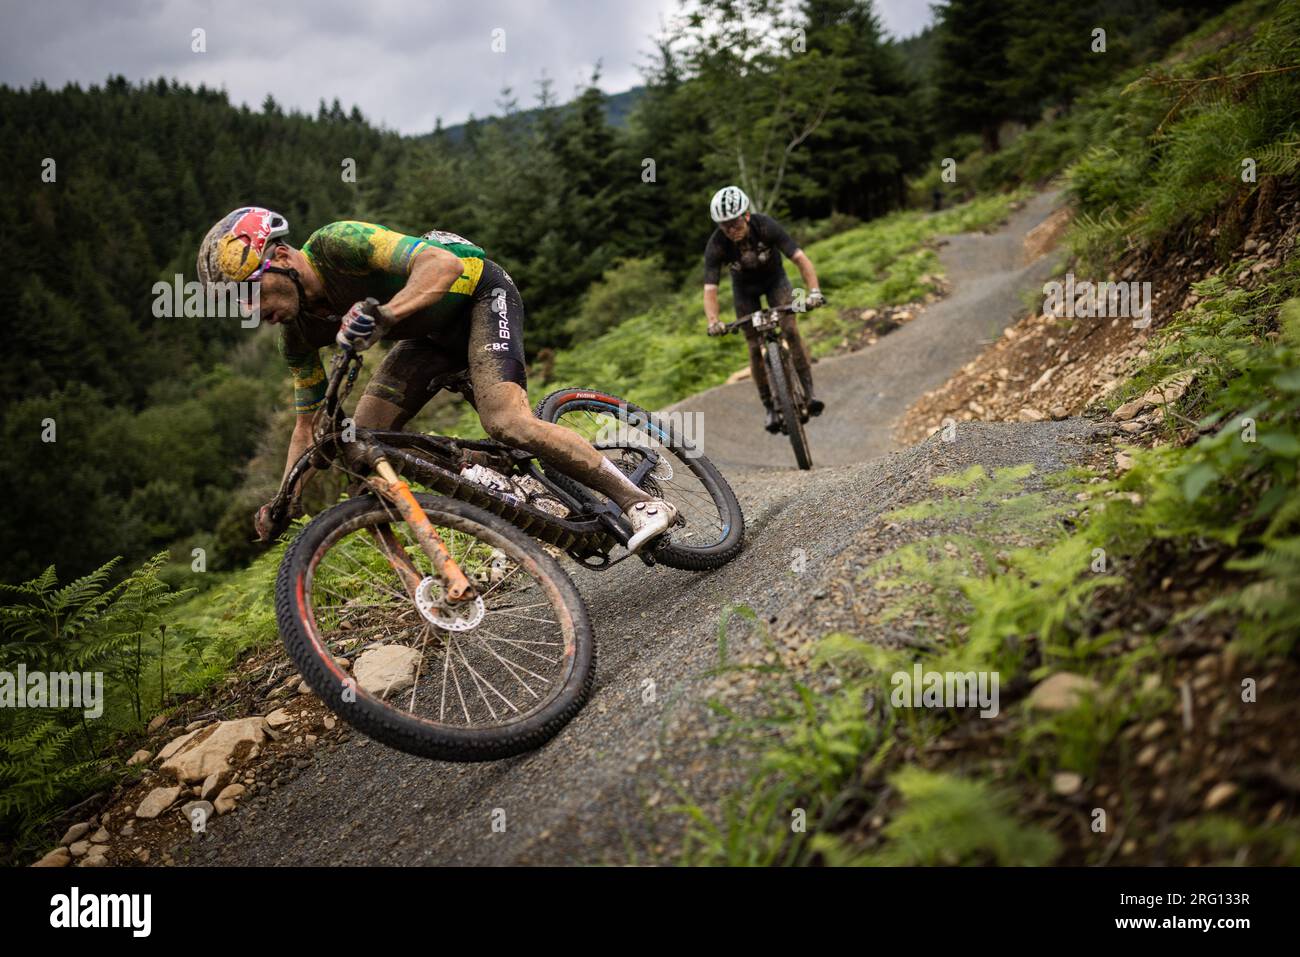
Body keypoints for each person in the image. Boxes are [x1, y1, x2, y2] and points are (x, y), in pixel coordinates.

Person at [196, 207, 677, 552]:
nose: (252, 311)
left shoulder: (336, 243)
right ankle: (489, 491)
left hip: (477, 297)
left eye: (250, 292)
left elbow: (442, 265)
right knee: (366, 445)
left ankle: (639, 503)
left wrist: (384, 317)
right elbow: (307, 428)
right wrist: (284, 498)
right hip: (422, 336)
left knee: (506, 420)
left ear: (280, 258)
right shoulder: (297, 333)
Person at [701, 186, 825, 433]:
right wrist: (713, 321)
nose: (730, 230)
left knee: (790, 331)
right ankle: (769, 407)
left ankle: (809, 393)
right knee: (754, 347)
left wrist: (814, 292)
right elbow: (710, 289)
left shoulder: (766, 226)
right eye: (724, 225)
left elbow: (799, 258)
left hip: (775, 281)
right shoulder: (717, 244)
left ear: (746, 215)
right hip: (744, 293)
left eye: (734, 223)